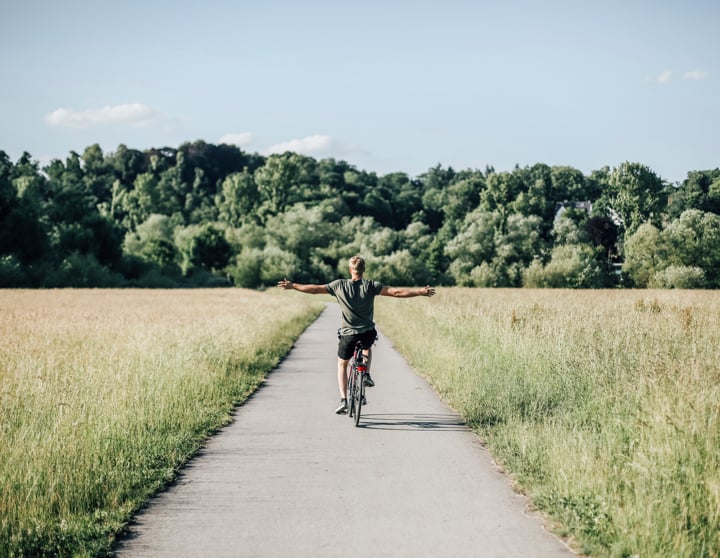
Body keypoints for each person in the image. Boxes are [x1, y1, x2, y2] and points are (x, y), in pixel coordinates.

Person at [277, 255, 436, 414]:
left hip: (348, 334)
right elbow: (396, 292)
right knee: (367, 345)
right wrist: (420, 292)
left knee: (342, 364)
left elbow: (315, 289)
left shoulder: (339, 285)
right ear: (364, 270)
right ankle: (366, 373)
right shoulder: (372, 286)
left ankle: (344, 400)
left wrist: (293, 285)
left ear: (350, 270)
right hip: (367, 333)